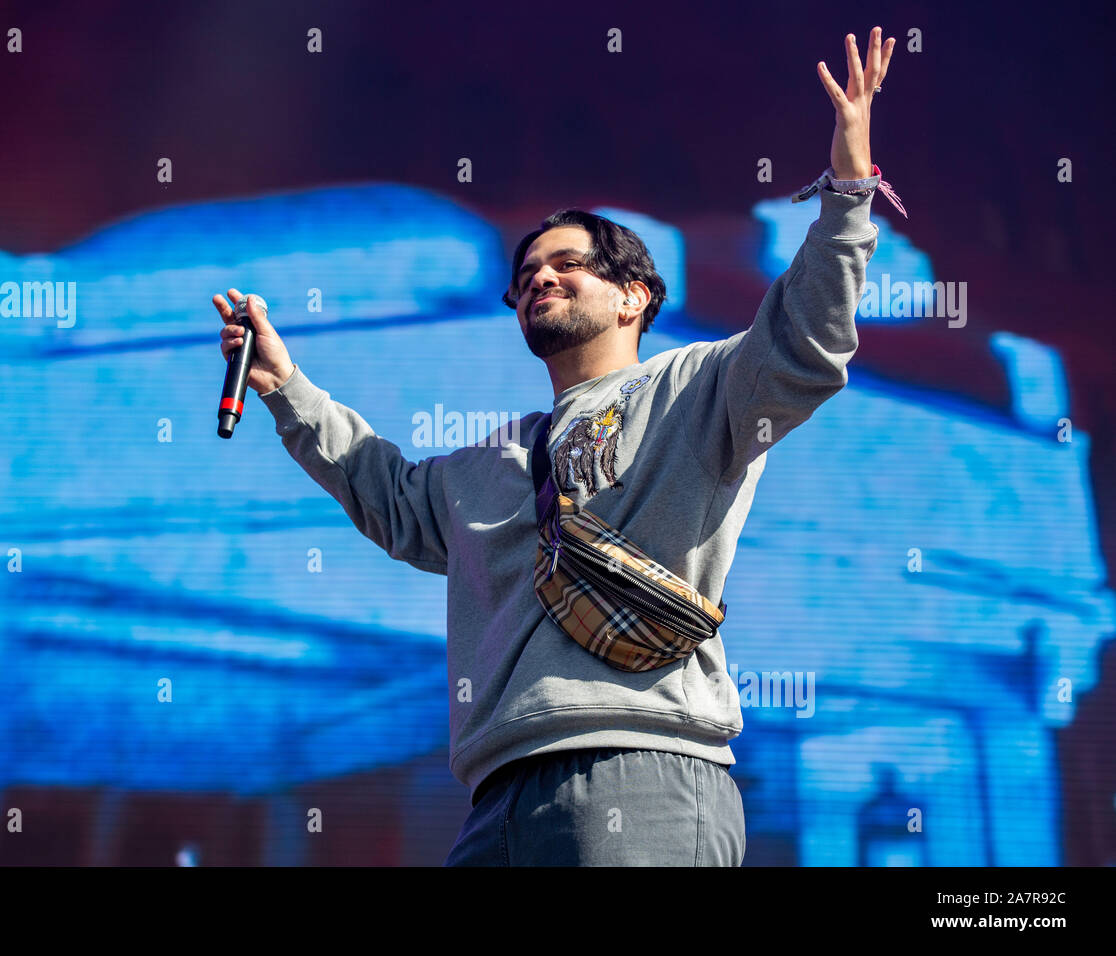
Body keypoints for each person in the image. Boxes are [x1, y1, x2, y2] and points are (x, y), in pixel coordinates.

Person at [213, 27, 897, 866]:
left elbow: (804, 347)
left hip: (642, 771)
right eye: (527, 273)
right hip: (494, 797)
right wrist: (285, 387)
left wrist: (849, 191)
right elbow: (384, 492)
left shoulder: (694, 389)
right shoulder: (486, 462)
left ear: (634, 296)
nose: (540, 277)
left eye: (568, 264)